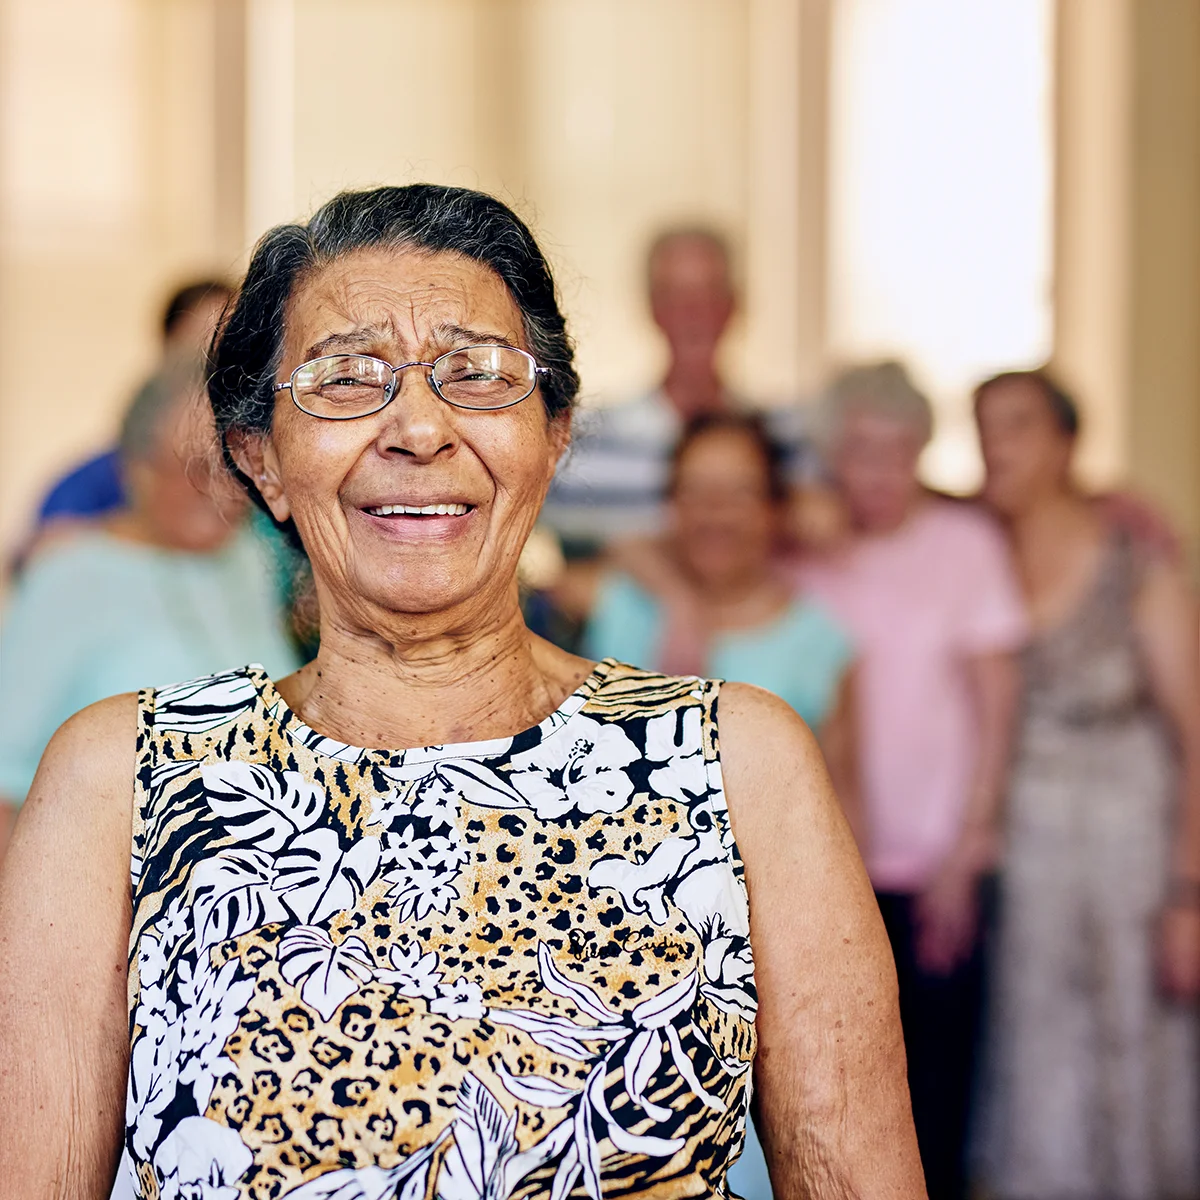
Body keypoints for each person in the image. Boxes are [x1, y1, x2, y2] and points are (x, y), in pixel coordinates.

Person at [0, 184, 924, 1200]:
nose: (419, 429)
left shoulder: (739, 763)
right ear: (263, 460)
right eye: (347, 379)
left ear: (556, 435)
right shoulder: (119, 781)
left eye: (478, 375)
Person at [794, 362, 1027, 1200]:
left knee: (937, 1098)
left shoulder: (967, 548)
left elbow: (1000, 714)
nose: (881, 472)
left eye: (900, 451)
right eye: (860, 451)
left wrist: (969, 852)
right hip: (823, 873)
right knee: (836, 1099)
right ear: (830, 455)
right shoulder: (800, 547)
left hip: (938, 871)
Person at [973, 369, 1200, 1199]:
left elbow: (1195, 736)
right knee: (1037, 1052)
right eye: (985, 426)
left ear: (1066, 443)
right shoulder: (972, 548)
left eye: (1020, 425)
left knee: (1135, 1046)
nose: (998, 444)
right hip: (1030, 857)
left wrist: (1189, 895)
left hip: (1135, 854)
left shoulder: (1137, 563)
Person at [0, 357, 300, 851]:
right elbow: (8, 775)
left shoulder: (249, 559)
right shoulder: (71, 574)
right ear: (137, 469)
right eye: (197, 470)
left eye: (235, 470)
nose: (224, 493)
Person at [584, 412, 858, 817]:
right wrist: (679, 601)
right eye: (695, 491)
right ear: (671, 503)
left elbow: (845, 811)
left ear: (775, 508)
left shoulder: (820, 643)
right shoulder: (618, 605)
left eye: (740, 492)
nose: (715, 512)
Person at [540, 227, 814, 554]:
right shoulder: (585, 439)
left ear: (733, 305)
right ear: (653, 308)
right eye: (675, 296)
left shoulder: (785, 435)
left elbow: (819, 530)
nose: (693, 313)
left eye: (709, 293)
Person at [34, 279, 233, 525]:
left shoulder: (267, 473)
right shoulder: (87, 490)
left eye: (231, 347)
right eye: (201, 350)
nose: (213, 368)